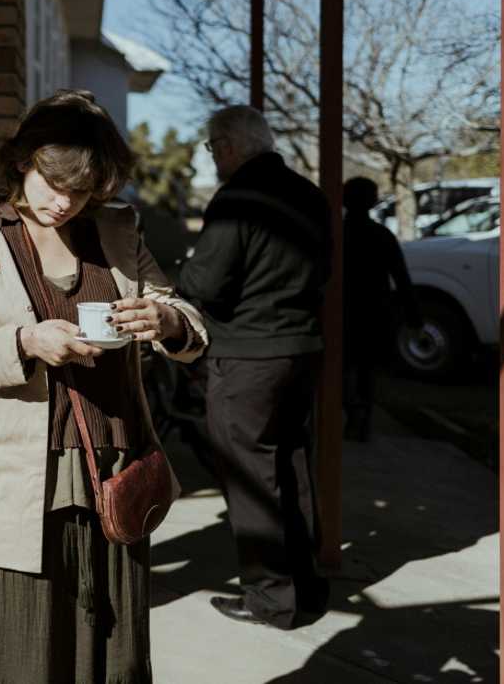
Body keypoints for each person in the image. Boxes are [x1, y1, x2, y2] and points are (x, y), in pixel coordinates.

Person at [0, 89, 207, 683]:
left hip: (114, 469)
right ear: (23, 160)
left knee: (108, 650)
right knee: (18, 648)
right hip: (15, 482)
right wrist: (24, 343)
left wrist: (168, 321)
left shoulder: (117, 232)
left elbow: (183, 317)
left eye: (82, 191)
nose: (65, 203)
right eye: (55, 184)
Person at [177, 105, 332, 630]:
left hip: (249, 357)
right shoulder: (310, 195)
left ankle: (269, 599)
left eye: (212, 148)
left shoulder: (238, 198)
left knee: (251, 481)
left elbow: (205, 285)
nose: (212, 157)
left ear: (229, 145)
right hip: (302, 349)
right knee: (291, 470)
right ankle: (305, 587)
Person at [342, 176, 421, 442]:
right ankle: (362, 417)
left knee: (342, 367)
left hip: (342, 312)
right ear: (373, 201)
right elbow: (401, 276)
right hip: (374, 310)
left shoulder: (334, 233)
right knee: (366, 369)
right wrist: (413, 314)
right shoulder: (381, 235)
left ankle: (351, 411)